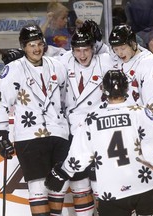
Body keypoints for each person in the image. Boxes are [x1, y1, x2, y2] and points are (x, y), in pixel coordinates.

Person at [44, 70, 153, 216]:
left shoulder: (92, 118)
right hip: (145, 187)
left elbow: (80, 155)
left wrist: (64, 171)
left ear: (103, 89)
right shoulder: (140, 113)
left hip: (111, 191)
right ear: (127, 88)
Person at [0, 24, 70, 216]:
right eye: (31, 45)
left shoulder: (58, 65)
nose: (36, 49)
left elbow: (67, 97)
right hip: (29, 137)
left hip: (58, 133)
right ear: (24, 47)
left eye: (39, 44)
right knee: (38, 190)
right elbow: (0, 101)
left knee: (59, 187)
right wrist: (1, 133)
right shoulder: (13, 69)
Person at [56, 23, 117, 216]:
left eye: (86, 50)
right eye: (78, 50)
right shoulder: (63, 61)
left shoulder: (105, 60)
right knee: (79, 185)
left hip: (99, 131)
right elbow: (40, 59)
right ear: (72, 50)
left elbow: (125, 54)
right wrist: (15, 62)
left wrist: (100, 41)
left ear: (93, 48)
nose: (82, 55)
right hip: (74, 132)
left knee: (101, 184)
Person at [108, 24, 153, 122]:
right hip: (119, 122)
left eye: (123, 48)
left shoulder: (148, 63)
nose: (119, 53)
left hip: (138, 124)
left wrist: (150, 128)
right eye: (116, 49)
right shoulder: (116, 58)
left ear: (133, 44)